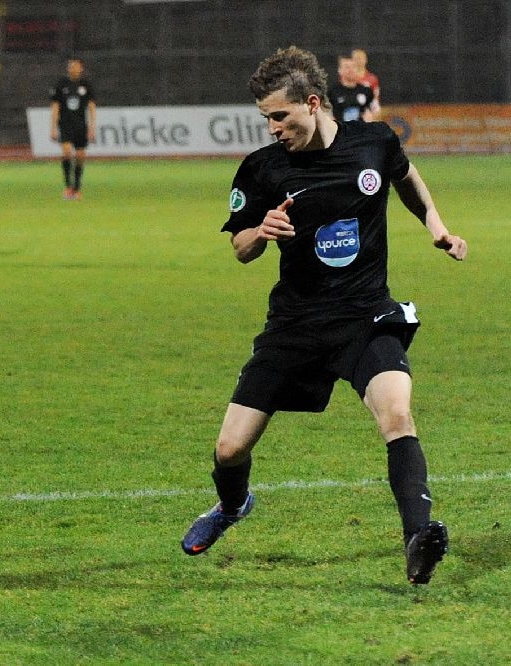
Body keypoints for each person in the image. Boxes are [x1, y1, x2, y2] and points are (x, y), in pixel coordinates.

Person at [180, 46, 467, 586]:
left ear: (312, 104)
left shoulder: (374, 142)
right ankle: (233, 506)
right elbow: (240, 247)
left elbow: (406, 177)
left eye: (279, 116)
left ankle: (418, 538)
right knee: (230, 447)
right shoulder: (264, 168)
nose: (271, 127)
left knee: (397, 416)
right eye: (265, 117)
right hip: (295, 324)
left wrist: (437, 227)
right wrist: (260, 232)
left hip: (364, 317)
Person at [49, 57, 96, 200]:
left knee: (81, 156)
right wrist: (53, 127)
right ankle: (68, 187)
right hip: (65, 125)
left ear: (81, 68)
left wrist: (92, 127)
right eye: (71, 66)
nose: (73, 68)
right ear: (68, 68)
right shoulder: (61, 84)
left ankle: (77, 187)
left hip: (81, 126)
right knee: (67, 152)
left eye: (76, 66)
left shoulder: (86, 85)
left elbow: (92, 107)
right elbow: (55, 106)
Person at [329, 56, 374, 123]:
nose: (351, 70)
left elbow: (374, 111)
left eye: (353, 67)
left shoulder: (366, 91)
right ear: (340, 70)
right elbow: (326, 114)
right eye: (347, 67)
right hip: (341, 131)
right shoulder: (332, 92)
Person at [351, 48, 381, 118]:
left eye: (360, 58)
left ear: (365, 60)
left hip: (367, 112)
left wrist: (374, 113)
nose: (358, 61)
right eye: (356, 58)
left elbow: (376, 98)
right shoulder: (348, 78)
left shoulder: (372, 78)